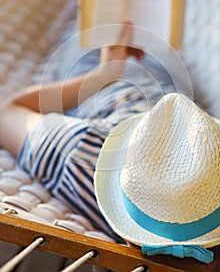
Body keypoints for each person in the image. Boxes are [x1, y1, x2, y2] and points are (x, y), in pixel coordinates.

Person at [0, 22, 183, 240]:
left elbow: (6, 112)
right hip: (168, 80)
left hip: (99, 81)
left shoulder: (84, 154)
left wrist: (104, 74)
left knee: (97, 18)